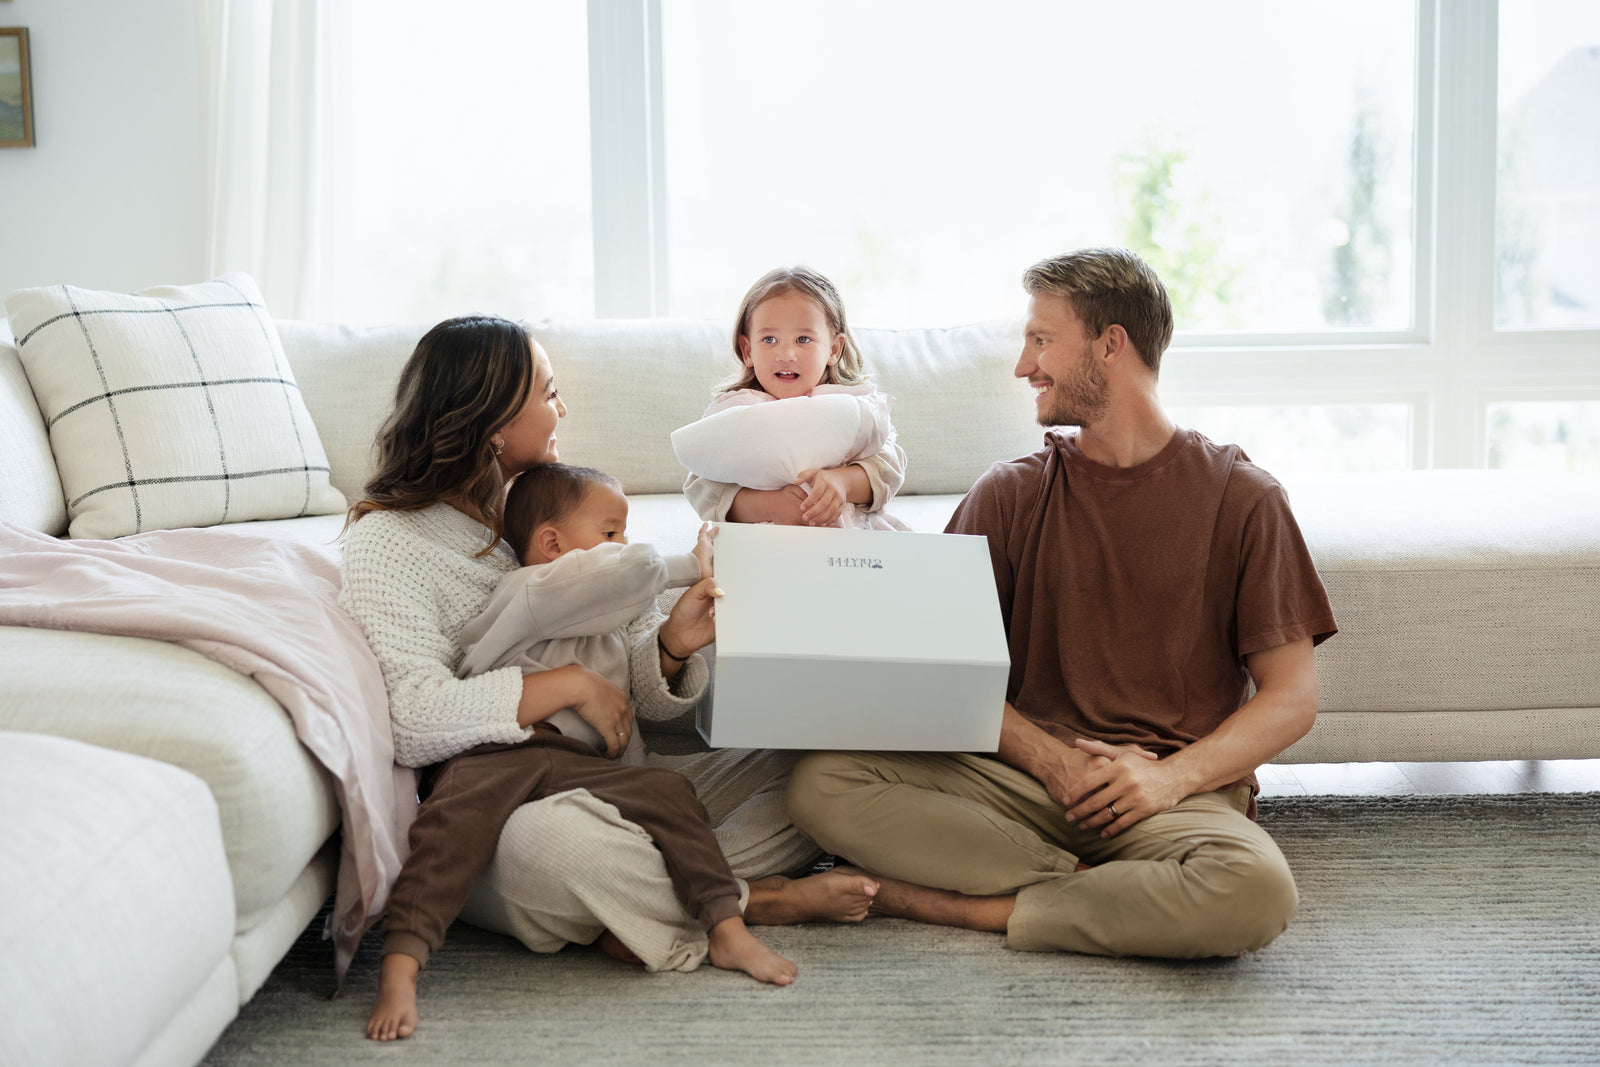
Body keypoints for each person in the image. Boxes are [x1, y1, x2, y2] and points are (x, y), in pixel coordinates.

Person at [786, 248, 1338, 959]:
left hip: (1171, 799)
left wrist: (1166, 779)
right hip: (1017, 785)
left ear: (1112, 344)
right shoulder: (1010, 493)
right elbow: (936, 668)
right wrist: (1051, 761)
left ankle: (968, 907)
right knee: (819, 783)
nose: (1024, 366)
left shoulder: (1244, 498)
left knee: (1256, 888)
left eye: (1042, 340)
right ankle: (1102, 888)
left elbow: (1292, 697)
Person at [340, 316, 878, 1041]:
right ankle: (751, 898)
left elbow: (641, 707)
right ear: (493, 420)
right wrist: (564, 685)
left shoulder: (551, 503)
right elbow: (412, 716)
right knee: (555, 851)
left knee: (814, 750)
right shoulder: (389, 541)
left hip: (622, 776)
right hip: (503, 808)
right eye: (549, 393)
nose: (563, 410)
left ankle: (661, 894)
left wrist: (674, 645)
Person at [363, 463, 801, 1038]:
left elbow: (637, 680)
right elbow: (621, 574)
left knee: (670, 794)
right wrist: (693, 563)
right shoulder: (535, 589)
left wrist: (669, 644)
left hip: (580, 768)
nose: (624, 545)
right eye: (612, 533)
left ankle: (726, 925)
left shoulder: (602, 618)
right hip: (498, 749)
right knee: (449, 830)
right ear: (552, 545)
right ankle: (401, 966)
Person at [682, 266, 908, 529]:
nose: (786, 353)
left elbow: (890, 464)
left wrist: (845, 482)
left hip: (850, 546)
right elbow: (701, 485)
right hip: (765, 550)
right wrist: (766, 504)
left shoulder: (852, 405)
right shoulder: (735, 412)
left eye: (803, 339)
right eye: (769, 339)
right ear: (747, 350)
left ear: (834, 349)